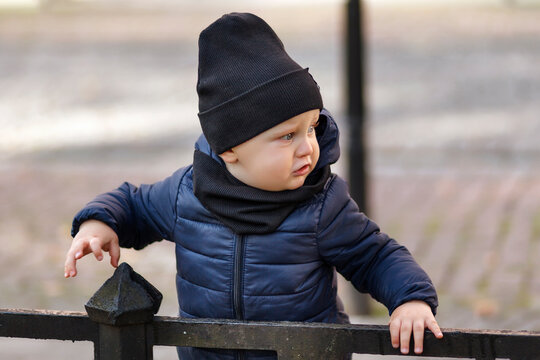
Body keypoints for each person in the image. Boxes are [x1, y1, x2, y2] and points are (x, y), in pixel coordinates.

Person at [64, 12, 443, 359]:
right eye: (286, 136)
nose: (307, 147)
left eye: (311, 128)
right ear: (230, 150)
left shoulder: (322, 204)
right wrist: (99, 222)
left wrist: (411, 299)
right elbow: (133, 203)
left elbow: (374, 256)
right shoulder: (187, 194)